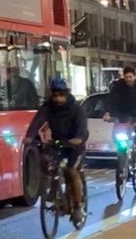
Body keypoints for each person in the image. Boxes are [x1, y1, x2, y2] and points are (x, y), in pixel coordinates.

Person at [24, 78, 88, 221]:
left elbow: (82, 128)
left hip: (75, 145)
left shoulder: (76, 108)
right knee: (48, 163)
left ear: (66, 94)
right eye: (55, 95)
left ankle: (78, 206)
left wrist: (78, 138)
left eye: (61, 95)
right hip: (58, 142)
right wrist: (29, 136)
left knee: (71, 170)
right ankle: (53, 190)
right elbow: (38, 121)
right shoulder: (48, 107)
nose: (58, 99)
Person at [104, 66, 136, 163]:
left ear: (135, 76)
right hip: (123, 116)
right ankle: (122, 156)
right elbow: (111, 100)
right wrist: (108, 113)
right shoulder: (118, 85)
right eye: (126, 77)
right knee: (117, 135)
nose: (128, 79)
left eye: (130, 77)